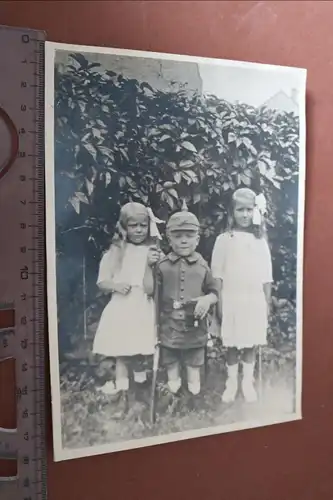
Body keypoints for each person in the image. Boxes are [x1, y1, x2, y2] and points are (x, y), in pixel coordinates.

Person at [92, 202, 163, 417]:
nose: (139, 230)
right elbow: (102, 282)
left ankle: (139, 396)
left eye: (143, 225)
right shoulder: (116, 252)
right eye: (134, 226)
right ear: (124, 227)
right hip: (122, 308)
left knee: (140, 352)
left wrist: (151, 265)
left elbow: (153, 287)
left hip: (142, 306)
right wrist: (115, 286)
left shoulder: (152, 252)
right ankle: (123, 397)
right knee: (123, 354)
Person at [211, 188, 273, 404]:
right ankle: (231, 382)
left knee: (249, 342)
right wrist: (217, 301)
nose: (245, 215)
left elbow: (267, 276)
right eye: (240, 210)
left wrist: (267, 302)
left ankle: (247, 381)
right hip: (231, 297)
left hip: (253, 298)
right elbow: (216, 274)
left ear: (255, 212)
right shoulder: (224, 239)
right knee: (232, 342)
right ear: (232, 212)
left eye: (249, 210)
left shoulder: (260, 241)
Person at [155, 202, 219, 405]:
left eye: (189, 236)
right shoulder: (162, 266)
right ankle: (173, 396)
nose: (184, 241)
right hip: (169, 325)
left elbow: (215, 291)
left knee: (193, 364)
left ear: (198, 239)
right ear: (168, 238)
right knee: (171, 362)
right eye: (178, 236)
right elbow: (153, 296)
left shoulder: (202, 266)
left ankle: (193, 398)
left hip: (195, 325)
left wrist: (207, 300)